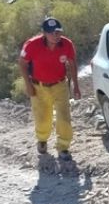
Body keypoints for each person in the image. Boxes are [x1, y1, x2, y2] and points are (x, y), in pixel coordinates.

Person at [18, 17, 81, 161]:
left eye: (58, 32)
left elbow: (72, 64)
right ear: (44, 33)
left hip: (60, 85)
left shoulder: (67, 44)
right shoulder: (32, 45)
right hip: (38, 87)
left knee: (64, 117)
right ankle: (42, 139)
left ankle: (63, 147)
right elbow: (22, 63)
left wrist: (76, 85)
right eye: (51, 33)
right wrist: (28, 85)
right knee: (42, 118)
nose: (55, 35)